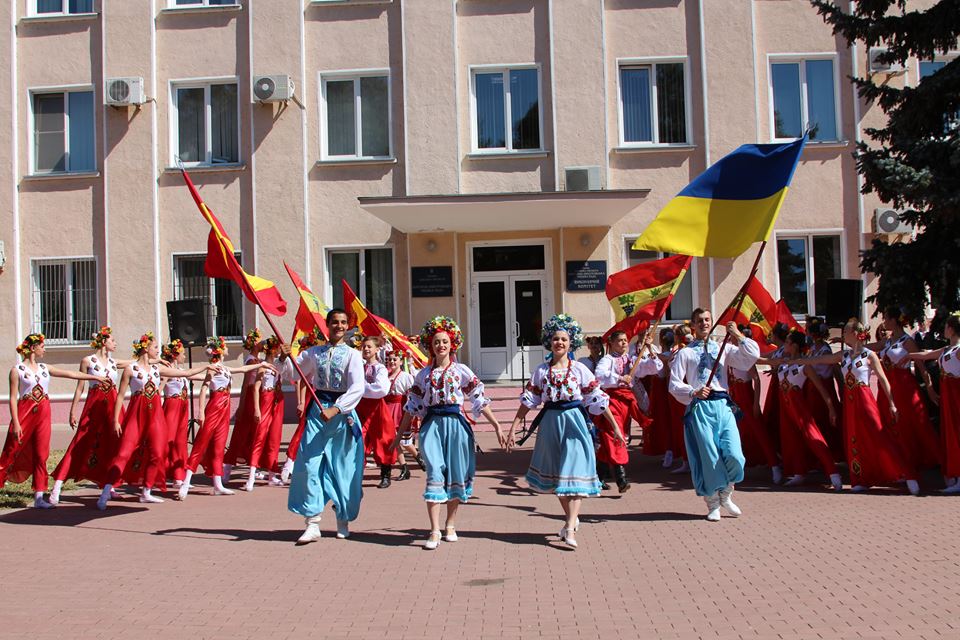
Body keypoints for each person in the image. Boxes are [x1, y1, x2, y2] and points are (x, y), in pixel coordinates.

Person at [507, 314, 623, 549]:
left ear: (571, 344)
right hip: (550, 424)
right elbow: (529, 401)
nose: (559, 342)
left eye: (564, 339)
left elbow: (597, 399)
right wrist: (512, 428)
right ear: (549, 342)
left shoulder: (580, 369)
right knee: (558, 478)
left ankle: (569, 527)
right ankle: (571, 519)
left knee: (575, 471)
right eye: (556, 339)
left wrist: (616, 428)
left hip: (575, 423)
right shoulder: (541, 371)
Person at [395, 316, 504, 550]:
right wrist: (398, 436)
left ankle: (450, 524)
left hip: (456, 426)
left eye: (445, 342)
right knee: (434, 472)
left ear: (452, 344)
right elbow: (412, 406)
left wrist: (496, 425)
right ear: (430, 346)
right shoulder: (422, 375)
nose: (441, 346)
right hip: (432, 425)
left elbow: (478, 399)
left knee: (455, 474)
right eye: (436, 342)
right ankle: (434, 530)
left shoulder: (461, 371)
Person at [803, 318, 918, 495]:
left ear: (856, 334)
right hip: (850, 401)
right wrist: (798, 361)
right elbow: (823, 359)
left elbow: (883, 380)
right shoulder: (844, 355)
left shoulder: (869, 355)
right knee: (853, 437)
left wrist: (892, 403)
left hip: (864, 398)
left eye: (846, 332)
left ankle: (908, 475)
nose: (843, 335)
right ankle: (860, 478)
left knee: (879, 434)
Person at [97, 333, 211, 510]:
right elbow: (120, 397)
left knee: (158, 452)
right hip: (136, 415)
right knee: (124, 453)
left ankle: (146, 491)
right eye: (155, 347)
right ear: (146, 348)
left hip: (155, 416)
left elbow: (186, 373)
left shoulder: (158, 370)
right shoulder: (131, 369)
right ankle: (105, 492)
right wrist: (116, 420)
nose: (158, 351)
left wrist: (205, 367)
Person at [280, 309, 366, 544]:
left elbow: (358, 387)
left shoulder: (353, 355)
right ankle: (312, 523)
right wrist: (285, 357)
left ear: (348, 326)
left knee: (343, 468)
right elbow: (292, 374)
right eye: (335, 322)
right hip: (318, 415)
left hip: (342, 415)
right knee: (309, 465)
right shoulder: (314, 353)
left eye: (343, 322)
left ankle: (342, 519)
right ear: (327, 325)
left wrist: (337, 408)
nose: (339, 326)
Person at [668, 309, 760, 521]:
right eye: (699, 321)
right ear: (693, 324)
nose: (704, 324)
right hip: (700, 407)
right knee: (709, 458)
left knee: (735, 453)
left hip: (723, 405)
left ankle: (726, 492)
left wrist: (738, 335)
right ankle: (712, 503)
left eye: (707, 320)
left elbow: (749, 357)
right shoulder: (685, 353)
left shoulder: (723, 348)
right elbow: (674, 384)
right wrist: (693, 392)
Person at [1, 334, 108, 508]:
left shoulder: (45, 367)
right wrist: (16, 422)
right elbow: (13, 398)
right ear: (33, 348)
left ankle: (39, 497)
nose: (45, 349)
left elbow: (70, 374)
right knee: (11, 451)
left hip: (44, 413)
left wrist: (94, 378)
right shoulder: (17, 370)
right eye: (42, 346)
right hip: (24, 412)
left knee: (41, 453)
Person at [177, 337, 271, 500]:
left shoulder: (225, 368)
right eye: (225, 347)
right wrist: (201, 412)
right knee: (201, 442)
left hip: (225, 408)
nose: (227, 348)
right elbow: (205, 387)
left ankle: (218, 484)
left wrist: (261, 364)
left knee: (219, 446)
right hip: (214, 406)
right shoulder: (213, 368)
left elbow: (242, 370)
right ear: (220, 350)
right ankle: (186, 482)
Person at [50, 326, 134, 505]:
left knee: (114, 443)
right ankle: (57, 486)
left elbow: (136, 362)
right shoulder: (88, 361)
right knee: (80, 443)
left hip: (112, 407)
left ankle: (108, 485)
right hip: (94, 406)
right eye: (112, 340)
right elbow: (80, 386)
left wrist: (156, 358)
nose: (115, 343)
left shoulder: (113, 363)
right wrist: (73, 410)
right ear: (104, 342)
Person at [761, 330, 842, 490]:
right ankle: (799, 473)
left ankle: (833, 473)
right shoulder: (782, 362)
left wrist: (831, 408)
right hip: (785, 407)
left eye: (787, 342)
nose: (784, 345)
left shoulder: (805, 365)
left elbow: (821, 389)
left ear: (795, 346)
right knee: (790, 439)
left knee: (813, 436)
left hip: (799, 406)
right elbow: (760, 360)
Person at [876, 305, 942, 473]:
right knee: (893, 425)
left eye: (885, 318)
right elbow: (870, 347)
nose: (883, 321)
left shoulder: (907, 341)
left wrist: (930, 389)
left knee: (917, 423)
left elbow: (922, 367)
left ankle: (942, 465)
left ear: (893, 320)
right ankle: (903, 464)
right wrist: (846, 344)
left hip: (905, 385)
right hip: (889, 386)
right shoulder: (888, 341)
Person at [593, 330, 660, 492]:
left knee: (611, 438)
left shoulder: (631, 360)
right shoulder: (608, 359)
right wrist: (619, 378)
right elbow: (599, 374)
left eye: (625, 340)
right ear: (612, 343)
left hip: (627, 403)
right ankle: (621, 478)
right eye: (620, 341)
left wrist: (650, 348)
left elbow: (654, 368)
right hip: (612, 401)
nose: (623, 343)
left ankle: (598, 477)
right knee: (614, 435)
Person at [908, 312, 960, 492]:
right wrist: (909, 355)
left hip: (956, 397)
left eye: (946, 326)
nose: (944, 329)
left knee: (957, 434)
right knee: (950, 434)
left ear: (952, 329)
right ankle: (954, 475)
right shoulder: (947, 350)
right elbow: (927, 354)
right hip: (948, 397)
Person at [727, 326, 781, 484]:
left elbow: (756, 380)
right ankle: (739, 467)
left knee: (759, 431)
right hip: (734, 396)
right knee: (738, 432)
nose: (730, 339)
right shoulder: (731, 353)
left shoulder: (745, 357)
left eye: (733, 337)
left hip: (746, 395)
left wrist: (756, 403)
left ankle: (774, 465)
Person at [222, 328, 263, 484]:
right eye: (259, 340)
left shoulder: (258, 360)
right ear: (254, 343)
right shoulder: (250, 360)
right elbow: (247, 384)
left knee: (253, 433)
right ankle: (227, 467)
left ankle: (253, 465)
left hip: (256, 398)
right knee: (241, 432)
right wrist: (241, 405)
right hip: (249, 400)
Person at [245, 336, 285, 492]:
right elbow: (256, 388)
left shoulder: (278, 365)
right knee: (260, 437)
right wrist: (257, 408)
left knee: (274, 438)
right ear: (273, 349)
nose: (279, 351)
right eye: (278, 348)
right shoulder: (263, 366)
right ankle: (251, 476)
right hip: (265, 400)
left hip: (277, 401)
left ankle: (271, 473)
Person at [355, 336, 394, 489]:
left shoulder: (380, 369)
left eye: (369, 346)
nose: (366, 349)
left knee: (382, 439)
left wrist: (361, 387)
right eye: (364, 346)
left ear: (377, 350)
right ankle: (356, 474)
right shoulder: (359, 366)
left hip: (376, 408)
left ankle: (385, 474)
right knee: (358, 438)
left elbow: (381, 389)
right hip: (360, 407)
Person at [805, 318, 844, 461]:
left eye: (808, 330)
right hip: (813, 388)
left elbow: (835, 370)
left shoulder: (825, 350)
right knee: (815, 419)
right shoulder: (813, 349)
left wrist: (841, 389)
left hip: (824, 386)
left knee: (826, 420)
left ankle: (831, 453)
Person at [383, 348, 420, 481]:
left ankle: (418, 457)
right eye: (390, 360)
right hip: (387, 409)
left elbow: (412, 394)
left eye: (395, 359)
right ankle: (404, 467)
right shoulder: (385, 376)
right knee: (393, 440)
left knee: (404, 441)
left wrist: (412, 411)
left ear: (400, 361)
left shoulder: (405, 376)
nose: (392, 362)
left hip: (400, 409)